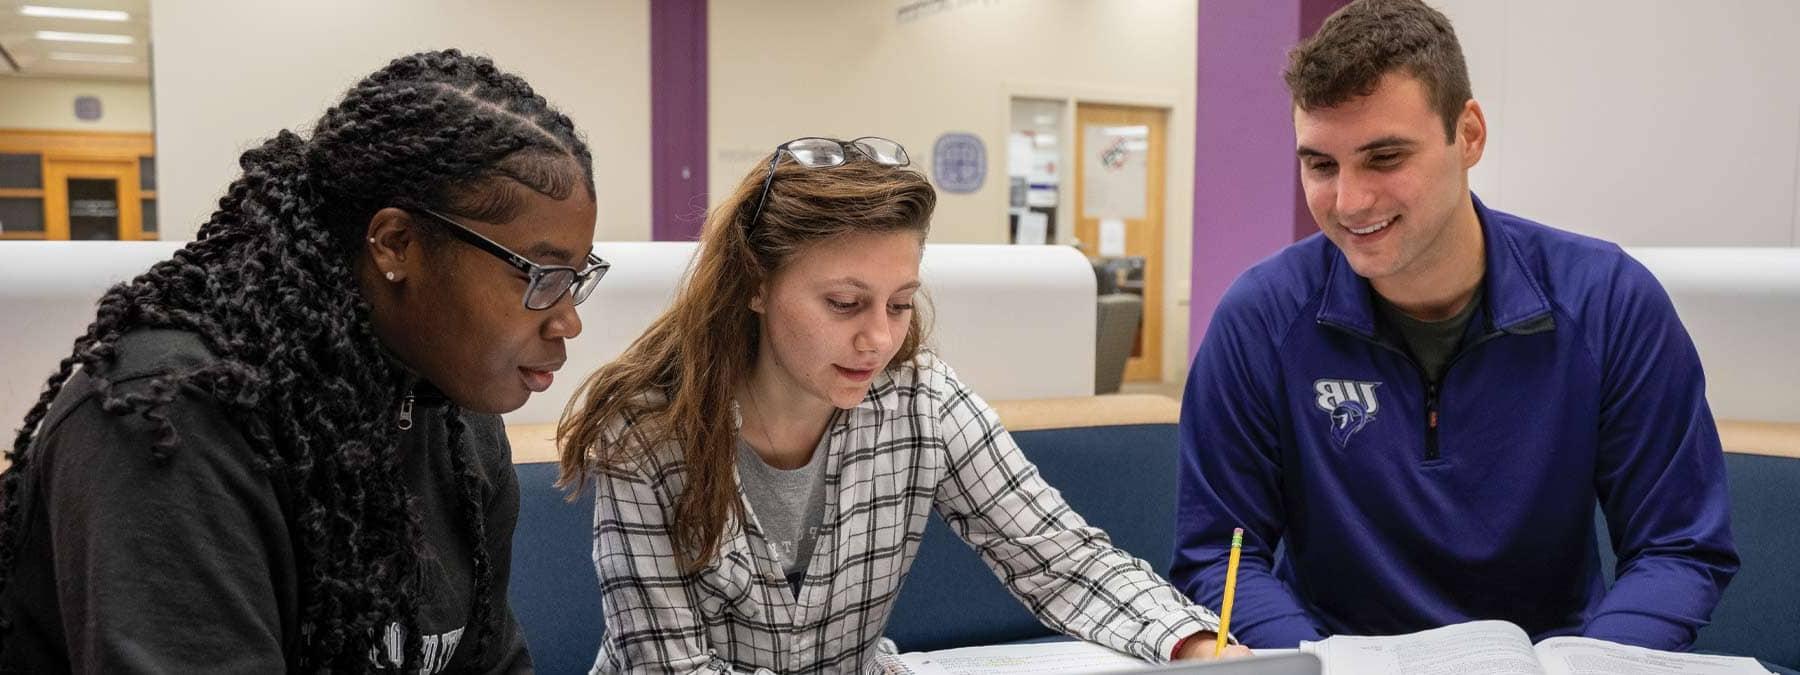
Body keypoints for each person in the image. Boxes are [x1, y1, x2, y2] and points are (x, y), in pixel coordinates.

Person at [0, 49, 605, 673]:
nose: (567, 320)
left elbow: (493, 663)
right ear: (397, 243)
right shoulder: (167, 419)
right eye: (541, 275)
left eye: (575, 278)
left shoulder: (455, 422)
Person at [1171, 0, 1737, 651]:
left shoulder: (1610, 301)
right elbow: (1219, 553)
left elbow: (1678, 545)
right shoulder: (1260, 318)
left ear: (1468, 134)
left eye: (1384, 157)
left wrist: (1597, 665)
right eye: (1321, 165)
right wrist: (1312, 665)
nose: (1349, 201)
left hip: (1551, 661)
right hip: (1333, 657)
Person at [558, 137, 1246, 673]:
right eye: (844, 303)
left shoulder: (924, 402)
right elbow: (668, 668)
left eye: (900, 302)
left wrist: (1190, 642)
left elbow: (1062, 558)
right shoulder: (647, 433)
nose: (880, 338)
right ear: (756, 284)